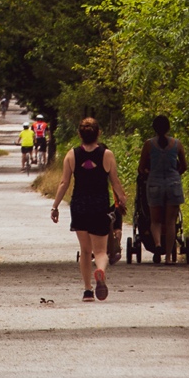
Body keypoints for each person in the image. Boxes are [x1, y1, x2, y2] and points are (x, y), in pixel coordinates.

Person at [50, 116, 127, 301]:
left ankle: (87, 291)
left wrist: (55, 206)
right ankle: (100, 270)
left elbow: (64, 182)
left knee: (85, 251)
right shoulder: (106, 154)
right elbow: (115, 182)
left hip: (79, 206)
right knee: (100, 252)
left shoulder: (72, 155)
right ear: (98, 133)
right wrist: (122, 201)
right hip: (99, 206)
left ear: (79, 134)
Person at [137, 113, 186, 260]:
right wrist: (175, 174)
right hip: (173, 183)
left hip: (154, 184)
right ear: (168, 128)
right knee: (171, 221)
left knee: (155, 220)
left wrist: (147, 172)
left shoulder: (149, 144)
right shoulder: (177, 144)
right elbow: (184, 166)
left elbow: (141, 167)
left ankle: (158, 245)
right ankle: (169, 257)